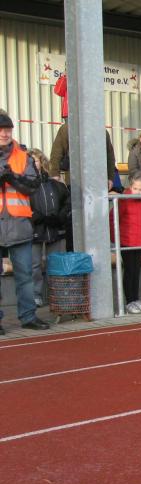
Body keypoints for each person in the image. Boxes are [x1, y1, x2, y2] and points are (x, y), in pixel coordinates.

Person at [0, 110, 49, 333]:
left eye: (8, 130)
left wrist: (12, 177)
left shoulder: (23, 156)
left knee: (25, 275)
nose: (4, 134)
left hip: (19, 225)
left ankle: (28, 317)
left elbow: (33, 186)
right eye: (1, 130)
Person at [28, 149, 69, 307]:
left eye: (35, 160)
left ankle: (57, 295)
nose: (33, 164)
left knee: (56, 263)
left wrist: (59, 217)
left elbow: (67, 202)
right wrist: (35, 217)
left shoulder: (55, 184)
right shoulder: (24, 185)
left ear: (42, 162)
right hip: (34, 230)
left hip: (55, 229)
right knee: (34, 265)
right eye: (30, 161)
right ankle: (35, 295)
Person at [110, 174, 141, 314]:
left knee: (136, 271)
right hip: (126, 241)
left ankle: (135, 298)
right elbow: (113, 218)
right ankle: (129, 301)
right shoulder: (123, 200)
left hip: (139, 241)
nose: (138, 192)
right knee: (129, 271)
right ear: (130, 187)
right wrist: (115, 239)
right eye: (135, 188)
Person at [49, 122, 116, 189]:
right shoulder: (68, 128)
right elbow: (56, 153)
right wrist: (55, 173)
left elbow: (109, 155)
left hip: (96, 181)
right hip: (77, 181)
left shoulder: (101, 131)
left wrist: (110, 177)